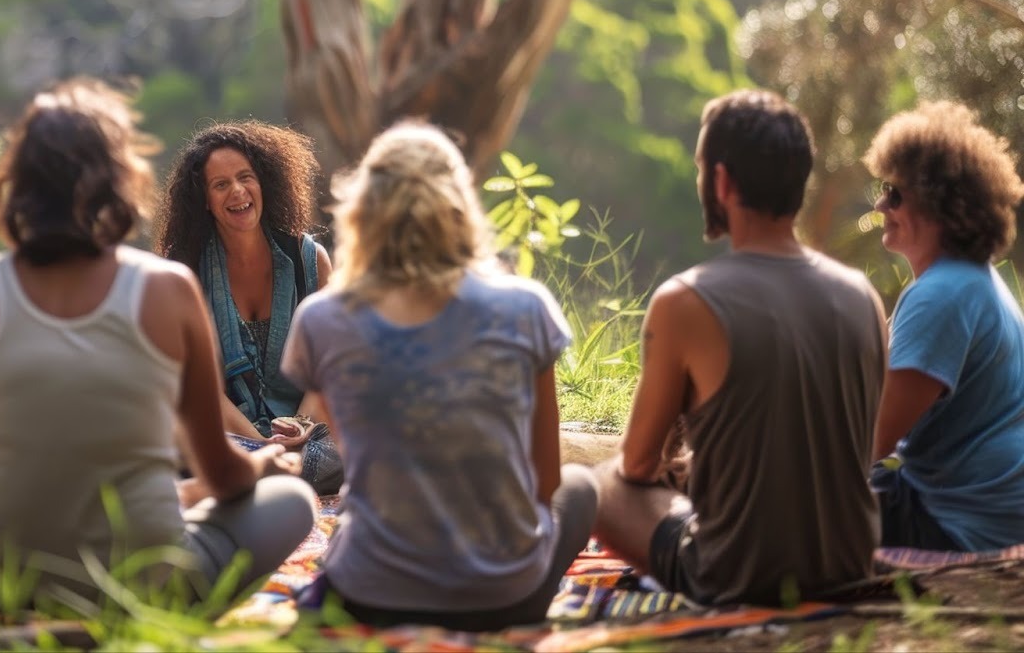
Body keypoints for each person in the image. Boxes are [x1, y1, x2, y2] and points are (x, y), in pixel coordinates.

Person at [0, 80, 316, 613]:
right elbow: (223, 473)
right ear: (118, 177)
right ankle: (130, 611)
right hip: (138, 576)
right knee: (293, 501)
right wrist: (265, 463)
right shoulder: (167, 288)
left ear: (18, 182)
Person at [281, 122, 598, 630]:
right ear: (459, 205)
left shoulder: (323, 319)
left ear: (364, 209)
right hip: (505, 600)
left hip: (369, 595)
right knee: (582, 487)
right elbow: (546, 481)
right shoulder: (525, 307)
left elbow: (362, 463)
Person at [592, 89, 887, 606]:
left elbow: (636, 466)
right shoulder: (863, 296)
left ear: (722, 182)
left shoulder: (685, 301)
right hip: (849, 564)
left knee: (595, 484)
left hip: (738, 575)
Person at [864, 102, 1024, 551]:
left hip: (957, 525)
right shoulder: (972, 277)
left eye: (895, 194)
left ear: (941, 204)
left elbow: (870, 441)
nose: (881, 204)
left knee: (775, 506)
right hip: (987, 514)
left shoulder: (940, 294)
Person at [152, 121, 339, 493]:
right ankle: (265, 475)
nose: (237, 191)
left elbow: (328, 366)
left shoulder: (311, 261)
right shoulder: (180, 274)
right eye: (220, 185)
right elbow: (193, 387)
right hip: (224, 440)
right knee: (169, 437)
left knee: (362, 434)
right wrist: (260, 447)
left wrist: (299, 427)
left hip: (306, 439)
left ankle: (255, 479)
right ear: (204, 199)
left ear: (263, 182)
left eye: (245, 177)